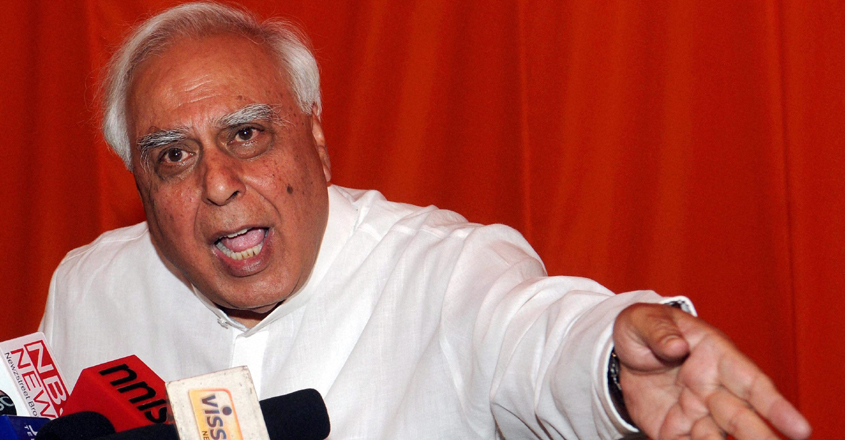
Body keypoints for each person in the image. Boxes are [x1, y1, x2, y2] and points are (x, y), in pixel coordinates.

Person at [40, 2, 811, 439]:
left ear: (313, 138)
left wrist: (610, 367)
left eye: (247, 134)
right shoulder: (89, 290)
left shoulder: (446, 273)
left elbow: (536, 332)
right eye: (172, 157)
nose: (217, 183)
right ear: (140, 185)